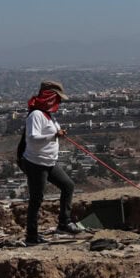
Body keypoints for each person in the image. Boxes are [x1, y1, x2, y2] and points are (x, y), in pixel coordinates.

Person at [21, 80, 83, 244]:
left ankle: (64, 222)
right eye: (58, 98)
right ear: (50, 97)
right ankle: (31, 235)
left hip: (49, 162)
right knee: (37, 198)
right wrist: (54, 136)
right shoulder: (36, 115)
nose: (59, 102)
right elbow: (32, 138)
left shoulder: (49, 115)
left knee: (68, 185)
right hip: (36, 163)